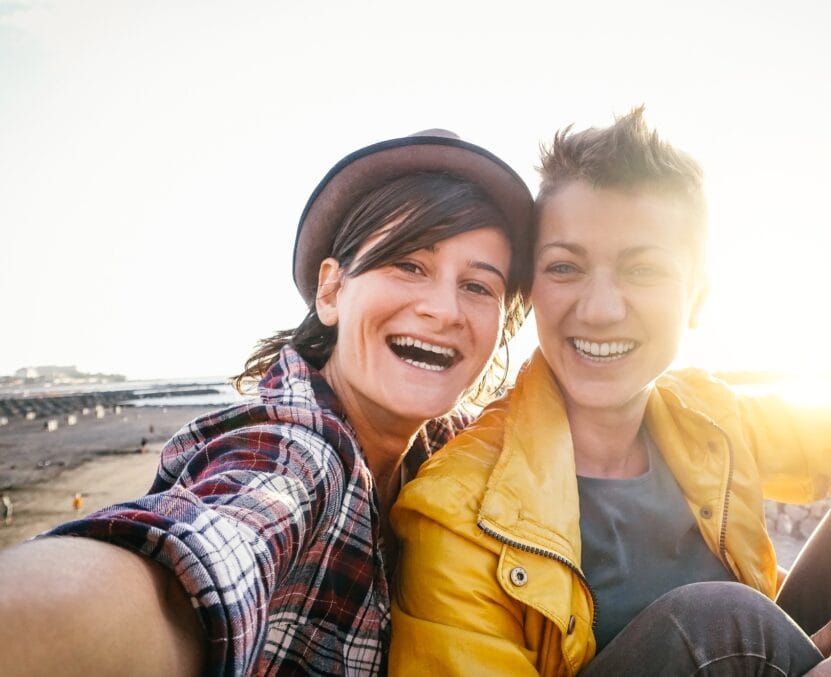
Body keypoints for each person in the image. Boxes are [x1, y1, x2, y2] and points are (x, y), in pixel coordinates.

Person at [389, 109, 831, 675]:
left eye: (642, 269)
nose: (602, 308)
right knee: (720, 628)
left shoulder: (712, 418)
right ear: (532, 290)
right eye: (565, 266)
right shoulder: (457, 509)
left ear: (697, 298)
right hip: (734, 654)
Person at [0, 129, 533, 675]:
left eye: (478, 286)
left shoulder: (451, 446)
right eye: (408, 265)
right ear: (331, 291)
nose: (443, 310)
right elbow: (210, 552)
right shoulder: (296, 453)